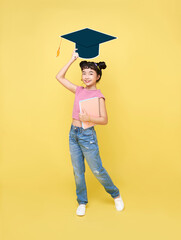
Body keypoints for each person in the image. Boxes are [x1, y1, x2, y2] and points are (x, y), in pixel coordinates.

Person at [56, 49, 124, 216]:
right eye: (84, 73)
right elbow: (59, 77)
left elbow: (104, 119)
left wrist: (89, 117)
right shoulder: (78, 90)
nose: (86, 76)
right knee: (78, 170)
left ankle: (115, 194)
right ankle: (82, 201)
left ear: (97, 77)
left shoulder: (99, 96)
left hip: (88, 136)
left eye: (90, 73)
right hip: (73, 134)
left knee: (97, 170)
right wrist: (72, 59)